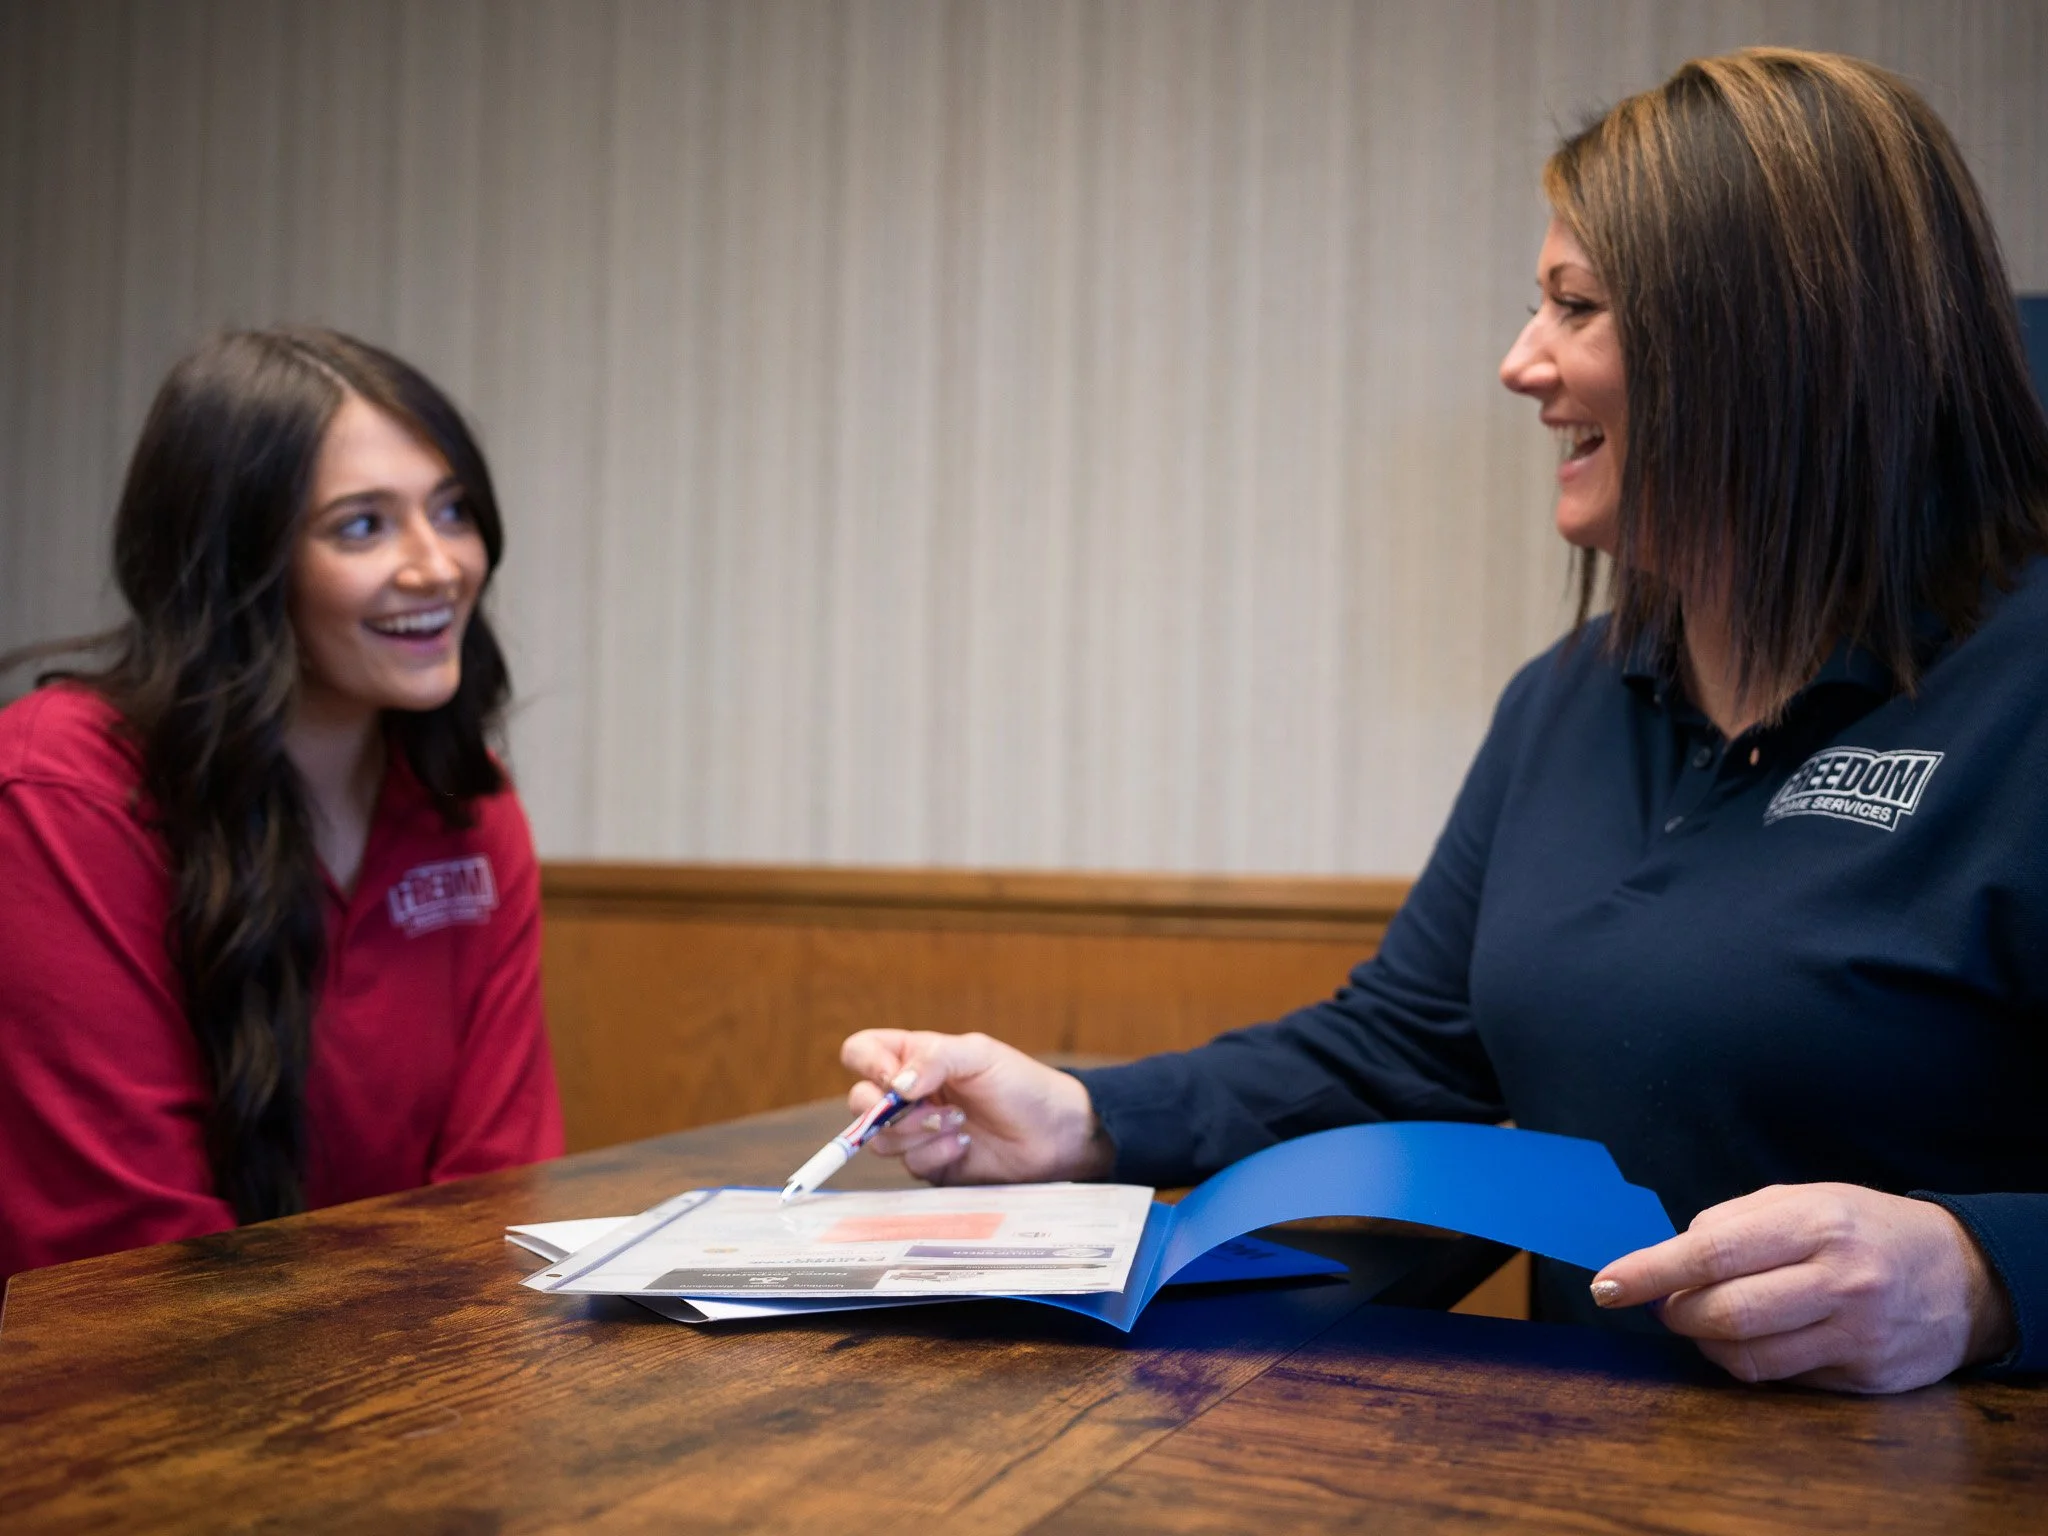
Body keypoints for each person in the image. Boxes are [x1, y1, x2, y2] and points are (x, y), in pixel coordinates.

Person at [836, 48, 2048, 1394]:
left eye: (1575, 308)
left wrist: (1983, 1278)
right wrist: (1085, 1113)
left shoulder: (2025, 687)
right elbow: (1408, 1051)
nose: (1520, 363)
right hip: (1592, 1462)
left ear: (1771, 347)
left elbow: (1990, 1276)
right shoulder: (1571, 695)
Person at [0, 328, 563, 1279]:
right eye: (361, 525)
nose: (438, 567)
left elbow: (499, 1199)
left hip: (419, 1389)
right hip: (129, 1394)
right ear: (237, 563)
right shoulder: (60, 787)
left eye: (452, 510)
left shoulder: (467, 799)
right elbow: (127, 1258)